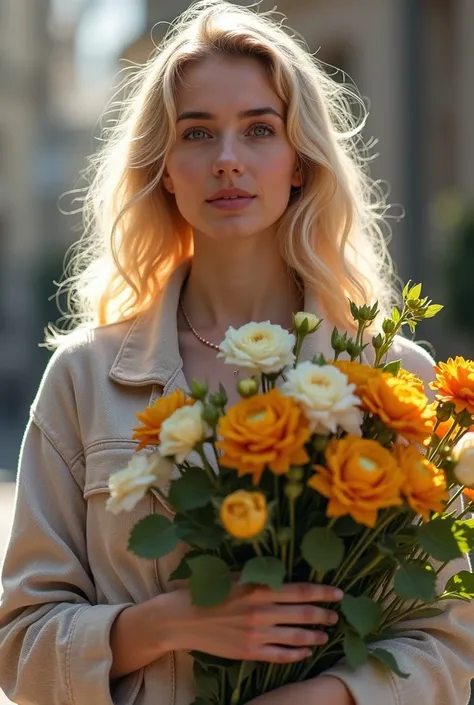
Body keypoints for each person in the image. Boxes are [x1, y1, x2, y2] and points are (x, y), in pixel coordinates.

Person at [0, 2, 473, 704]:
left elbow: (451, 640)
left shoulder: (394, 379)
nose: (227, 160)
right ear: (164, 167)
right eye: (198, 133)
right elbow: (20, 644)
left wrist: (325, 698)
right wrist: (169, 623)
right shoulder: (83, 377)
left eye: (259, 129)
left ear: (299, 162)